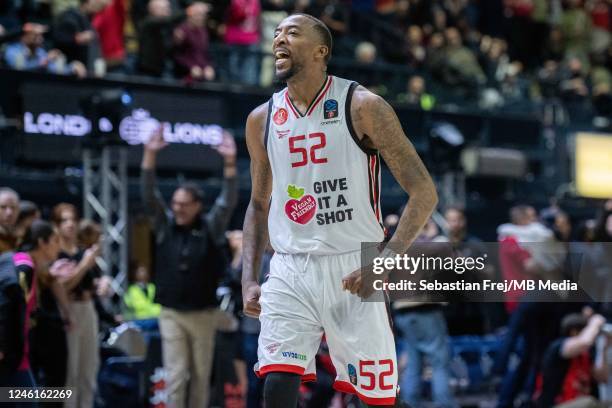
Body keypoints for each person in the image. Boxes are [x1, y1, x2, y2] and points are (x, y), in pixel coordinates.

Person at [241, 13, 438, 408]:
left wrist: (382, 264)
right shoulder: (261, 119)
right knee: (277, 386)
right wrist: (248, 277)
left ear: (321, 51)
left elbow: (424, 193)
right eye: (276, 33)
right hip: (290, 268)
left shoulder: (363, 106)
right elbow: (259, 204)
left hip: (353, 267)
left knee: (376, 399)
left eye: (292, 33)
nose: (279, 39)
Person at [141, 127, 238, 408]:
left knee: (200, 375)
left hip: (204, 314)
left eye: (185, 204)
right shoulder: (164, 226)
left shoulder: (211, 227)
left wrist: (230, 163)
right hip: (171, 312)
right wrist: (149, 154)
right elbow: (149, 197)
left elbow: (228, 201)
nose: (178, 209)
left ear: (197, 206)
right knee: (176, 375)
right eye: (175, 204)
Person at [50, 203, 101, 408]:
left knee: (89, 369)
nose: (70, 224)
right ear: (56, 224)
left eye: (73, 219)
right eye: (64, 220)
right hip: (67, 309)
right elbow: (61, 286)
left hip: (88, 308)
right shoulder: (55, 253)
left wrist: (100, 284)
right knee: (71, 371)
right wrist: (84, 266)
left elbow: (90, 285)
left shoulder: (82, 251)